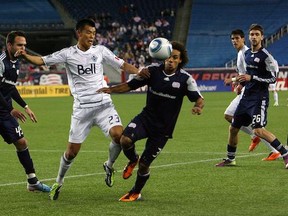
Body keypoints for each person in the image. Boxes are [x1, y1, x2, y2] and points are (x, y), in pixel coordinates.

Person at [16, 18, 149, 200]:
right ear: (79, 33)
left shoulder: (100, 51)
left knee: (119, 135)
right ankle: (59, 182)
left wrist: (139, 71)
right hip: (82, 111)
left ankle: (109, 165)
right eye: (88, 32)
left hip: (104, 105)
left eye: (94, 33)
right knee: (71, 153)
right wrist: (24, 54)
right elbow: (41, 60)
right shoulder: (68, 54)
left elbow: (122, 65)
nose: (92, 36)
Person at [98, 41, 204, 202]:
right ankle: (133, 159)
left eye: (175, 58)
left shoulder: (185, 79)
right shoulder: (152, 71)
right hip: (146, 119)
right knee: (124, 140)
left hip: (163, 130)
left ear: (180, 60)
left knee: (145, 164)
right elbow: (130, 85)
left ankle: (135, 192)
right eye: (168, 57)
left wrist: (198, 107)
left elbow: (199, 99)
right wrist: (111, 89)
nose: (171, 60)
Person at [216, 24, 288, 167]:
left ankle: (285, 154)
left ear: (262, 37)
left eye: (257, 34)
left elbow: (273, 78)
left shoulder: (266, 56)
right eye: (252, 34)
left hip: (258, 98)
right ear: (249, 37)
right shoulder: (247, 55)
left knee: (258, 130)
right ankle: (230, 159)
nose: (254, 37)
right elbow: (246, 76)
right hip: (246, 97)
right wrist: (239, 83)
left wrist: (252, 79)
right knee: (233, 128)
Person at [0, 31, 50, 192]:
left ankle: (32, 181)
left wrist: (25, 106)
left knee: (21, 142)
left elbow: (10, 87)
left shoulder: (16, 63)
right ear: (9, 45)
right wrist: (11, 109)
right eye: (19, 45)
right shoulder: (1, 62)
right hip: (5, 109)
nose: (23, 48)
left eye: (24, 46)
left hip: (4, 112)